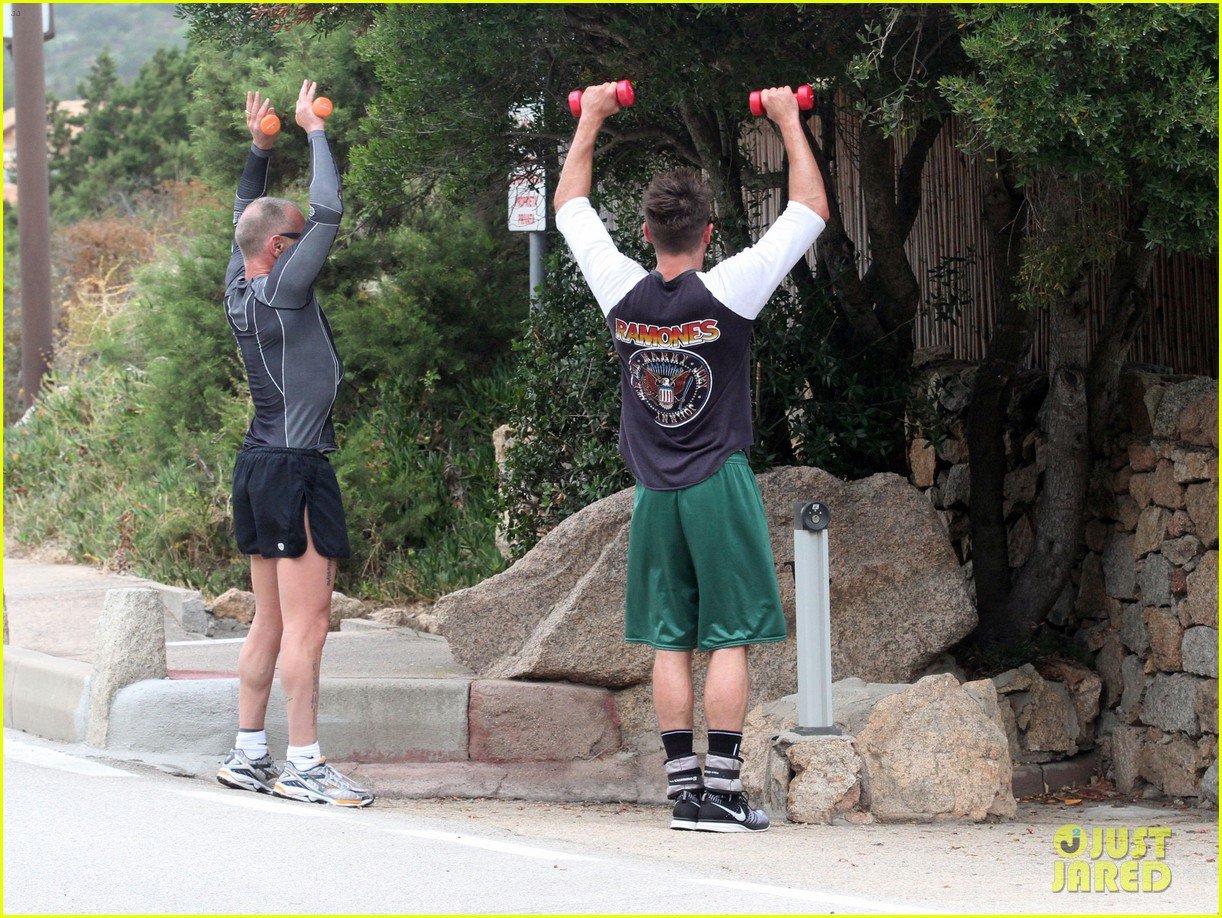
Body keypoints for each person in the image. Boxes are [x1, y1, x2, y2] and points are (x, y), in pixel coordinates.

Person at [554, 84, 829, 832]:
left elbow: (570, 209)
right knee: (729, 636)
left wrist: (592, 120)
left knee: (671, 639)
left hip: (653, 493)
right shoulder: (731, 288)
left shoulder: (621, 293)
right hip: (717, 482)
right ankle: (724, 793)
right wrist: (787, 121)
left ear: (646, 233)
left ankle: (684, 795)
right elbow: (809, 212)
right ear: (708, 232)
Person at [214, 81, 373, 807]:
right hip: (297, 467)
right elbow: (332, 211)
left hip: (255, 465)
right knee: (307, 624)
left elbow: (244, 220)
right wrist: (311, 132)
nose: (308, 242)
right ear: (280, 248)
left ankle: (249, 753)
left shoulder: (237, 284)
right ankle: (304, 764)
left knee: (270, 620)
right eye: (296, 236)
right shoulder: (283, 288)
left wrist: (259, 149)